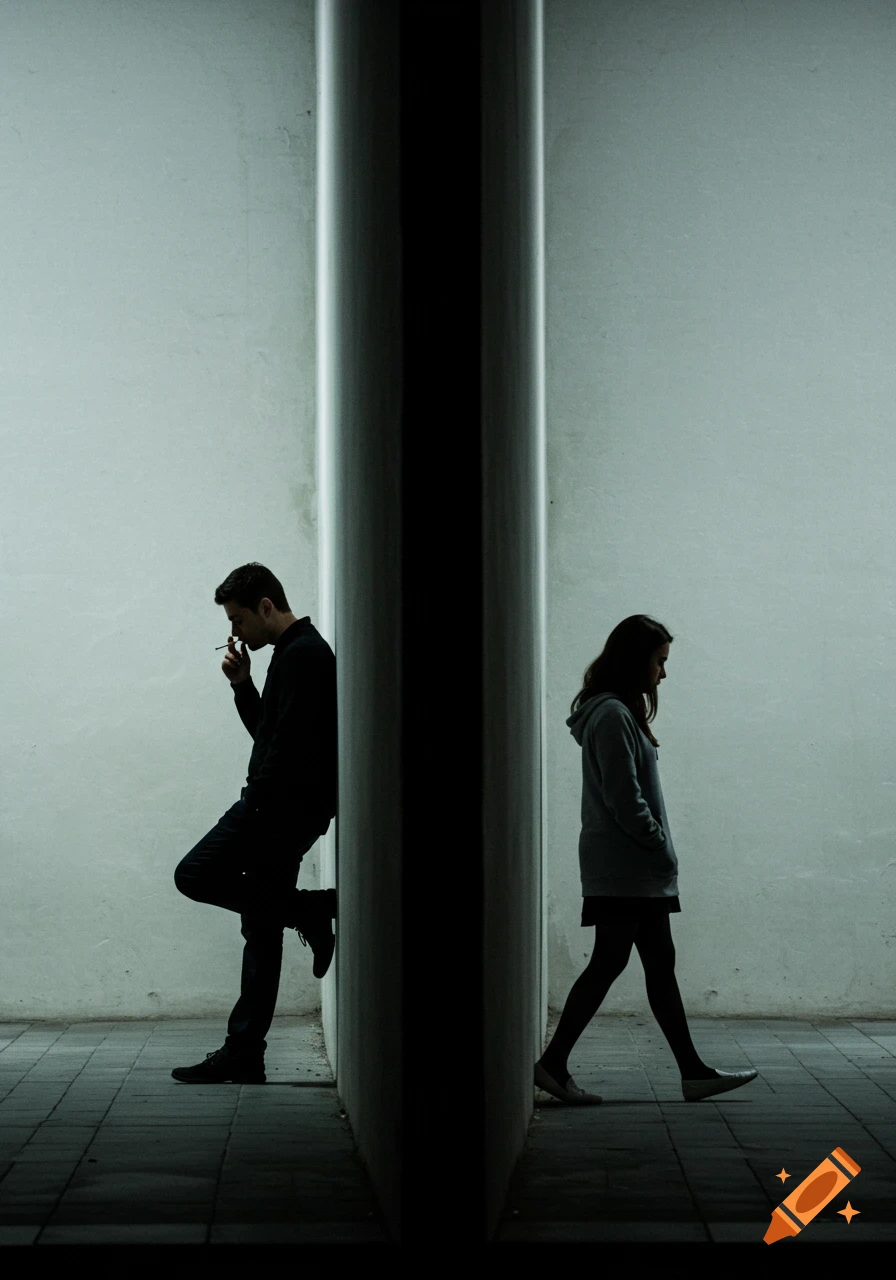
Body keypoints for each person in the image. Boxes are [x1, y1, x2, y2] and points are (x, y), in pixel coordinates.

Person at [534, 614, 757, 1105]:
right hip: (627, 867)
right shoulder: (611, 716)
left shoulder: (614, 713)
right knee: (616, 964)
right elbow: (624, 796)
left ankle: (691, 1072)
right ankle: (555, 1063)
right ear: (636, 660)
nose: (663, 673)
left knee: (651, 965)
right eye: (659, 662)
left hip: (629, 868)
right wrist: (655, 840)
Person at [171, 563, 337, 1084]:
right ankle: (245, 1053)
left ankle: (313, 907)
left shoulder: (305, 655)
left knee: (193, 874)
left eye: (239, 619)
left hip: (279, 808)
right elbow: (271, 733)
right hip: (283, 806)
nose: (234, 632)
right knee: (262, 928)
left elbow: (287, 751)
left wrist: (257, 803)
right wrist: (243, 686)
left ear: (267, 607)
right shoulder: (292, 653)